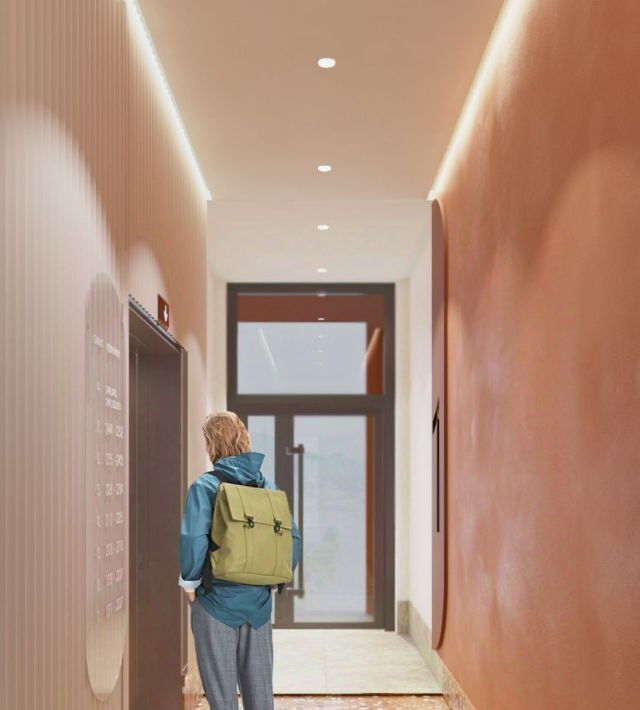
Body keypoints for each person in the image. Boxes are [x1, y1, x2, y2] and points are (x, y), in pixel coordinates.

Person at [179, 411, 302, 710]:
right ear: (244, 439)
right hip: (258, 605)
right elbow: (293, 540)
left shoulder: (205, 487)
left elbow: (194, 538)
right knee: (260, 695)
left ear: (211, 443)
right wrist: (272, 580)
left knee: (222, 697)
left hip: (215, 602)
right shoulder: (268, 488)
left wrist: (190, 583)